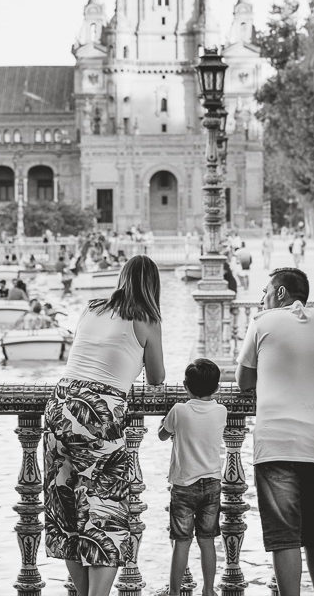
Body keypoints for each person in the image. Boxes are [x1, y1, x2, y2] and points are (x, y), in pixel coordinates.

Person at [44, 255, 165, 596]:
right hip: (99, 413)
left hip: (61, 402)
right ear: (153, 286)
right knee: (104, 512)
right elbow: (157, 378)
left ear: (122, 278)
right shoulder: (147, 318)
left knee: (64, 506)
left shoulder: (91, 308)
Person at [235, 268, 314, 596]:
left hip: (277, 442)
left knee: (285, 537)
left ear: (280, 294)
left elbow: (243, 382)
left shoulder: (263, 322)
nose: (262, 298)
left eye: (265, 291)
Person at [157, 359, 227, 596]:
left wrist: (165, 422)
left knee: (182, 542)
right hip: (212, 483)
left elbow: (162, 435)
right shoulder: (221, 411)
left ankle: (175, 592)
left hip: (184, 484)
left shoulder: (179, 410)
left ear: (186, 386)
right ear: (216, 388)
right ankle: (208, 590)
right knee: (207, 540)